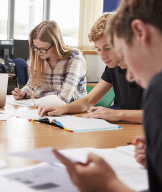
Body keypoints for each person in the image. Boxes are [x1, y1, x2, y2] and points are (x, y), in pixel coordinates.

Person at [53, 0, 162, 191]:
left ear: (139, 31)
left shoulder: (156, 86)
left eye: (119, 49)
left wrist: (109, 184)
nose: (129, 76)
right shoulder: (117, 71)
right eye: (97, 49)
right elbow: (88, 101)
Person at [38, 13, 144, 123]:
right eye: (98, 49)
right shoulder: (112, 67)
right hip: (131, 130)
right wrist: (62, 109)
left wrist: (118, 114)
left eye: (107, 48)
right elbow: (87, 101)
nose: (102, 56)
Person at [11, 21, 87, 103]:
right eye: (35, 47)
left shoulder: (74, 58)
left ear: (56, 44)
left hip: (74, 110)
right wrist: (23, 92)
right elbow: (32, 85)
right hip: (47, 107)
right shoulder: (41, 56)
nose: (38, 52)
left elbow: (64, 98)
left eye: (43, 49)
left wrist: (41, 93)